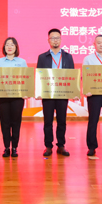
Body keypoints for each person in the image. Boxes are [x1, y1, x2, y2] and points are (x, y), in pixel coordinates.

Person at [36, 28, 75, 157]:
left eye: (57, 38)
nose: (55, 40)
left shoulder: (68, 57)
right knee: (48, 121)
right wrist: (39, 92)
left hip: (63, 93)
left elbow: (72, 75)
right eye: (52, 38)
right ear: (48, 40)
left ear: (61, 39)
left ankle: (61, 145)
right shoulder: (42, 57)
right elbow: (39, 76)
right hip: (48, 94)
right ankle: (48, 146)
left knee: (62, 120)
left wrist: (73, 92)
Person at [0, 37, 28, 158]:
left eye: (12, 45)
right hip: (2, 96)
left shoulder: (22, 62)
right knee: (4, 122)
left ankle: (14, 147)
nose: (9, 47)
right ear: (4, 47)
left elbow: (26, 78)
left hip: (18, 97)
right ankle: (6, 147)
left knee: (16, 122)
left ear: (16, 47)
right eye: (7, 44)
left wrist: (26, 92)